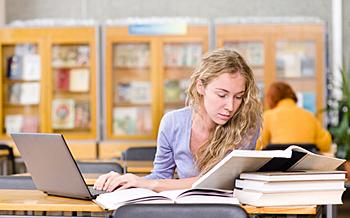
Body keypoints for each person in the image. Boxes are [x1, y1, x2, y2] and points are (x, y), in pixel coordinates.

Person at [94, 48, 262, 192]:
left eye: (238, 97)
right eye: (222, 95)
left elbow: (219, 182)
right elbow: (161, 176)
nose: (230, 106)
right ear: (200, 87)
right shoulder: (173, 122)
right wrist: (126, 181)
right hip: (183, 210)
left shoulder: (245, 126)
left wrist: (147, 183)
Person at [256, 81, 331, 152]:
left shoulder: (268, 116)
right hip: (306, 164)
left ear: (271, 98)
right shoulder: (309, 115)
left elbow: (258, 146)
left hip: (277, 164)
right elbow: (326, 144)